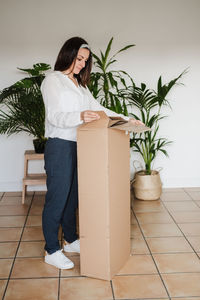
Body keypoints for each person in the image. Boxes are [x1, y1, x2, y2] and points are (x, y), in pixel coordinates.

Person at [41, 36, 143, 270]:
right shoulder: (53, 80)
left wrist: (128, 119)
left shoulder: (81, 86)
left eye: (85, 61)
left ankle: (70, 239)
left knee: (73, 197)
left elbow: (100, 109)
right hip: (60, 146)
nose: (82, 64)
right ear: (68, 54)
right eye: (79, 58)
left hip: (81, 145)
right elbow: (53, 116)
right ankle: (51, 249)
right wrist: (79, 116)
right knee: (58, 198)